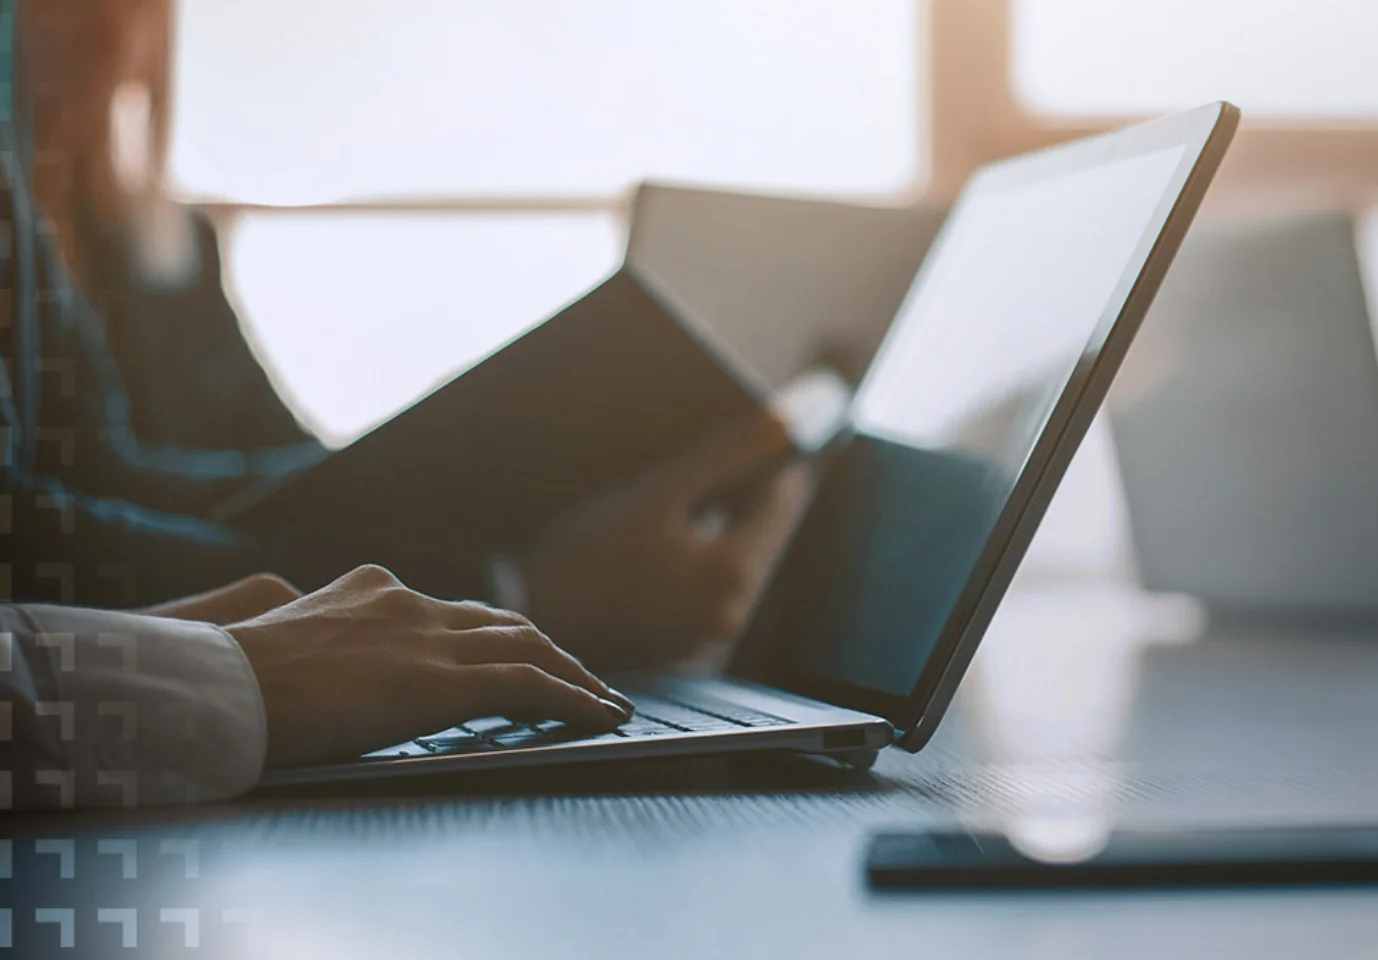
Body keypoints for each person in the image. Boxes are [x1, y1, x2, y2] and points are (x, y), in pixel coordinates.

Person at [1, 0, 811, 811]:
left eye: (121, 11)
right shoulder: (34, 214)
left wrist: (507, 483)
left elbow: (173, 473)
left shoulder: (155, 239)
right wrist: (510, 588)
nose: (89, 34)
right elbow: (41, 527)